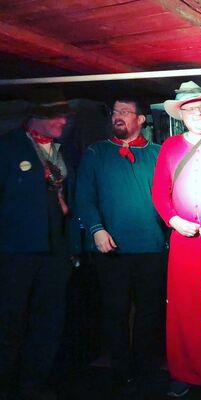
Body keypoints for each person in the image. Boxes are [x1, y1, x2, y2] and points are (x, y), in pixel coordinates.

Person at [76, 98, 167, 397]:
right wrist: (96, 229)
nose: (118, 116)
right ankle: (119, 373)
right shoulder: (97, 151)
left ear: (140, 119)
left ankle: (145, 370)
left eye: (125, 112)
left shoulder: (157, 153)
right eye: (115, 112)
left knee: (149, 313)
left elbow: (168, 195)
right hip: (111, 248)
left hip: (151, 246)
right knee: (114, 311)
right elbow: (84, 195)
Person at [152, 82, 201, 397]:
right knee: (184, 307)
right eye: (190, 110)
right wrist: (173, 220)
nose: (197, 114)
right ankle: (184, 372)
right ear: (181, 116)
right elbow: (160, 190)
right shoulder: (170, 147)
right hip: (185, 241)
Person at [0, 96, 78, 400]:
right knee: (10, 323)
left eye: (65, 116)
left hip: (55, 250)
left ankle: (34, 385)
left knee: (48, 322)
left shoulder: (60, 149)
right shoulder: (8, 147)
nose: (63, 122)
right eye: (56, 116)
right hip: (16, 252)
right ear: (35, 117)